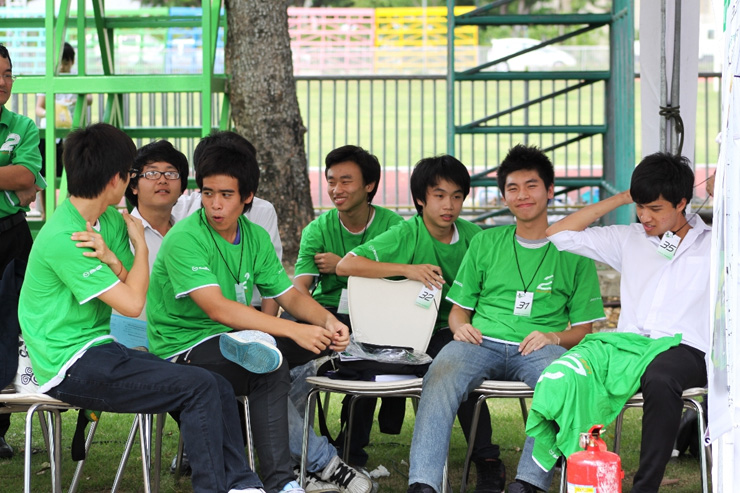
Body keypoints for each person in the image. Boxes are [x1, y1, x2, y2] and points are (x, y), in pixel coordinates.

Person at [17, 122, 265, 493]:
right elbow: (133, 303)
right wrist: (142, 248)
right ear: (117, 179)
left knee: (214, 382)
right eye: (132, 173)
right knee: (199, 386)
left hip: (101, 350)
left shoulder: (107, 221)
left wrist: (116, 263)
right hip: (67, 366)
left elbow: (132, 287)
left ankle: (243, 485)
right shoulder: (66, 236)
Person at [130, 137, 372, 493]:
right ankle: (296, 473)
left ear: (248, 197)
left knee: (313, 348)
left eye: (226, 195)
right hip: (184, 347)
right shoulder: (184, 237)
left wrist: (327, 322)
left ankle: (283, 480)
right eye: (208, 193)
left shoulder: (255, 236)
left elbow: (287, 293)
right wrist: (292, 331)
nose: (215, 204)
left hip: (235, 339)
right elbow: (217, 308)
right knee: (272, 361)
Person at [401, 145, 604, 493]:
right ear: (504, 196)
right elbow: (460, 309)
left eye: (531, 185)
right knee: (440, 373)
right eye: (513, 188)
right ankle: (424, 483)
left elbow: (584, 330)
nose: (522, 195)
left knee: (564, 382)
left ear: (550, 190)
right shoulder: (486, 242)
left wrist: (553, 338)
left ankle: (529, 482)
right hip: (481, 342)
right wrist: (460, 327)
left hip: (540, 347)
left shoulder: (575, 251)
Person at [545, 152, 710, 493]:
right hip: (626, 347)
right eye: (640, 206)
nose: (645, 216)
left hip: (685, 349)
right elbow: (558, 233)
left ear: (682, 203)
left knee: (660, 377)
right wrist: (623, 197)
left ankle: (644, 488)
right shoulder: (628, 238)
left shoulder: (717, 244)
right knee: (570, 371)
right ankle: (577, 475)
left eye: (656, 208)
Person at [335, 155, 502, 490]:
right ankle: (348, 454)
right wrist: (407, 269)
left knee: (459, 362)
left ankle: (486, 459)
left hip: (454, 329)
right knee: (366, 366)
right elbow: (345, 265)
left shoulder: (476, 238)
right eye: (439, 195)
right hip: (401, 331)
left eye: (457, 196)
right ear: (421, 199)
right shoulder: (407, 233)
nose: (449, 205)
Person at [291, 145, 403, 354]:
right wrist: (323, 320)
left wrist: (341, 266)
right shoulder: (317, 229)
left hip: (378, 312)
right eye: (331, 182)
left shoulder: (394, 227)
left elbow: (401, 279)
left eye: (346, 181)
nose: (336, 190)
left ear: (369, 185)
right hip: (327, 311)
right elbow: (300, 287)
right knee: (289, 335)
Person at [171, 131, 282, 316]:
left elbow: (276, 287)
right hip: (201, 314)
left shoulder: (261, 218)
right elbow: (217, 309)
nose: (217, 205)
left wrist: (265, 327)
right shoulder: (182, 219)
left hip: (251, 311)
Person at [0, 43, 45, 460]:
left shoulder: (23, 126)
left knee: (11, 329)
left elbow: (27, 176)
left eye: (8, 73)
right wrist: (7, 175)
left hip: (11, 236)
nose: (3, 82)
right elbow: (14, 178)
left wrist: (18, 178)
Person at [34, 42, 92, 217]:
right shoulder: (47, 79)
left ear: (72, 62)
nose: (62, 66)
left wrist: (76, 101)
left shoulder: (76, 78)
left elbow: (89, 98)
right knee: (45, 174)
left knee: (72, 174)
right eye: (59, 62)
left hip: (71, 134)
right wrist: (51, 112)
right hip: (49, 134)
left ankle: (70, 212)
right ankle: (46, 213)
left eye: (66, 62)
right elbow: (39, 108)